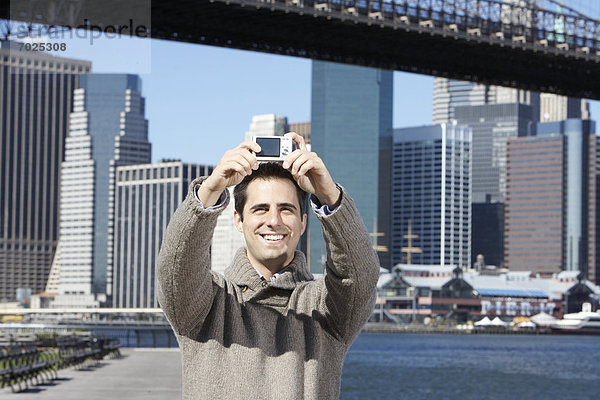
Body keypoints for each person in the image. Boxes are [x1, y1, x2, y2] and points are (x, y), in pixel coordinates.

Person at [157, 132, 380, 399]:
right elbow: (175, 268)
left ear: (303, 222)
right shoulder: (206, 305)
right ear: (238, 220)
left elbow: (360, 276)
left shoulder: (327, 309)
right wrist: (211, 189)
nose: (274, 220)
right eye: (260, 209)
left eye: (286, 209)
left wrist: (329, 194)